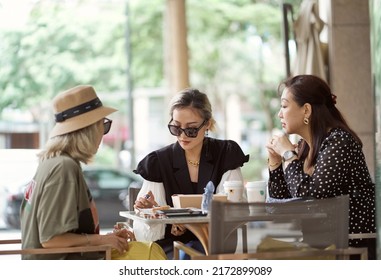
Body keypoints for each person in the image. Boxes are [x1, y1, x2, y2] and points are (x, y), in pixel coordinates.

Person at [20, 85, 166, 260]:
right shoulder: (64, 168)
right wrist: (99, 240)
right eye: (103, 125)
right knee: (151, 254)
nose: (102, 134)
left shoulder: (52, 162)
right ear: (88, 129)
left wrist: (104, 240)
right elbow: (52, 239)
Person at [266, 75, 376, 259]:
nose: (279, 114)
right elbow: (281, 203)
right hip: (322, 247)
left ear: (306, 110)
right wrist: (275, 162)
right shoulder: (305, 146)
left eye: (284, 106)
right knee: (265, 252)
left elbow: (313, 196)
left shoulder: (339, 141)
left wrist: (287, 155)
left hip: (352, 249)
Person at [133, 88, 250, 258]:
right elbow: (148, 231)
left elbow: (232, 209)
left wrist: (186, 223)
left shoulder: (226, 154)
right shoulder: (159, 162)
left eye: (191, 129)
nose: (182, 135)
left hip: (215, 242)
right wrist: (152, 213)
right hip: (171, 246)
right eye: (176, 128)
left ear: (207, 124)